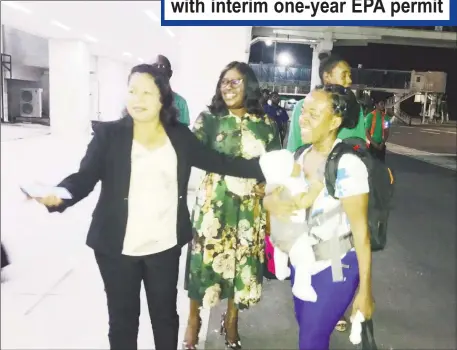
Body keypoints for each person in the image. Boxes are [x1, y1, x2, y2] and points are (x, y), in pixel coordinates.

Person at [27, 64, 272, 350]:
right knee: (122, 321)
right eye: (132, 91)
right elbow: (84, 177)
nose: (137, 99)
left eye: (146, 92)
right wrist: (61, 194)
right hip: (117, 248)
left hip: (164, 247)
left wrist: (269, 168)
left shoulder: (179, 136)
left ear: (162, 99)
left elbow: (222, 163)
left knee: (165, 318)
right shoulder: (110, 136)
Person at [264, 84, 374, 350]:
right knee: (308, 331)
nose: (303, 118)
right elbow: (273, 196)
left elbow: (362, 233)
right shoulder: (299, 155)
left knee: (311, 339)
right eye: (304, 111)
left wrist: (366, 291)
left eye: (314, 113)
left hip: (336, 267)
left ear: (335, 121)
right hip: (301, 263)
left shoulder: (347, 166)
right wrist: (271, 202)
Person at [183, 62, 281, 350]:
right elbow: (189, 154)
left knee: (241, 265)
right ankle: (193, 320)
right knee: (204, 264)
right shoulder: (208, 120)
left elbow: (275, 167)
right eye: (224, 81)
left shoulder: (265, 125)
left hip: (250, 209)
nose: (228, 87)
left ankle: (232, 320)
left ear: (248, 86)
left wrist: (271, 194)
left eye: (235, 82)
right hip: (214, 206)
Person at [287, 53, 366, 153]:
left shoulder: (356, 109)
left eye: (349, 75)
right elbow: (293, 147)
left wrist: (349, 156)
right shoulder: (302, 106)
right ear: (327, 77)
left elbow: (359, 146)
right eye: (344, 75)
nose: (349, 80)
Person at [153, 54, 190, 125]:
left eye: (162, 66)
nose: (158, 69)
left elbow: (183, 133)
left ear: (170, 73)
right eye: (154, 66)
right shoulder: (142, 100)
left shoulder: (180, 102)